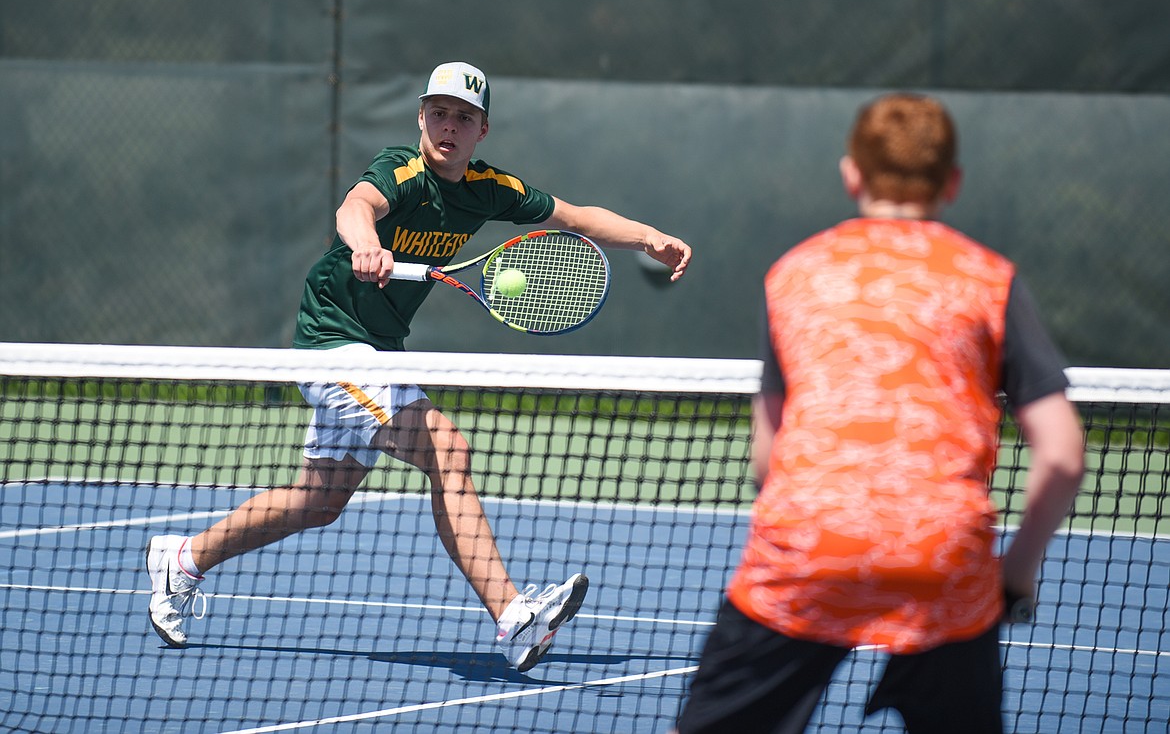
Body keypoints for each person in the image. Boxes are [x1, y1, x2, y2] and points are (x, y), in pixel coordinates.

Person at [145, 61, 692, 673]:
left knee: (320, 501)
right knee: (447, 451)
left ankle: (184, 559)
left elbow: (572, 216)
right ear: (421, 117)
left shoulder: (488, 188)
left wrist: (648, 236)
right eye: (439, 113)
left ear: (482, 129)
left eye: (464, 116)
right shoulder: (401, 172)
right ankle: (513, 617)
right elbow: (356, 205)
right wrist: (366, 244)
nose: (448, 126)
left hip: (378, 350)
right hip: (334, 344)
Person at [672, 93, 1084, 732]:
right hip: (946, 558)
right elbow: (1061, 454)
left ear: (852, 175)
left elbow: (766, 455)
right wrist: (1016, 574)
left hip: (808, 548)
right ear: (953, 182)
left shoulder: (793, 275)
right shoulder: (990, 278)